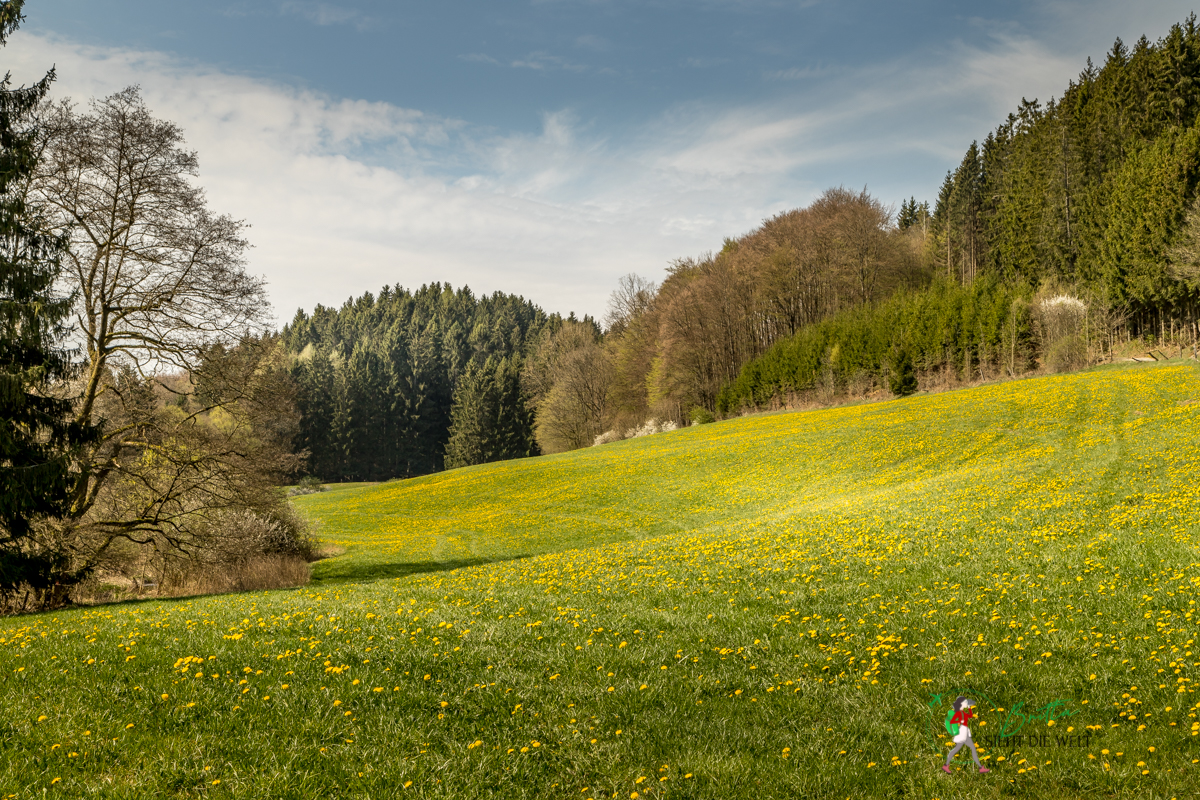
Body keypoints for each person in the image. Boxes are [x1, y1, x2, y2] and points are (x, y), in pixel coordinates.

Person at [942, 696, 990, 774]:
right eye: (965, 702)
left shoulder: (963, 712)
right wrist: (960, 721)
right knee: (956, 749)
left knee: (972, 748)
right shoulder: (958, 713)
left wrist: (969, 708)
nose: (966, 703)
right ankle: (946, 765)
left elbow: (970, 716)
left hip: (966, 731)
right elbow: (952, 721)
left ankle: (980, 767)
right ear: (961, 704)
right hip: (962, 732)